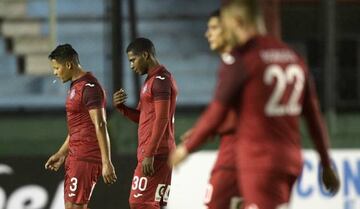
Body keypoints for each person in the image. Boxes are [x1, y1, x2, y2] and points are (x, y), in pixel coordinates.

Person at [170, 1, 340, 209]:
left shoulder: (243, 58)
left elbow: (217, 110)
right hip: (290, 159)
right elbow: (313, 116)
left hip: (259, 161)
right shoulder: (293, 56)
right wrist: (326, 162)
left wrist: (186, 148)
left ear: (238, 22)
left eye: (227, 25)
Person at [45, 44, 117, 209]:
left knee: (75, 207)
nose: (55, 72)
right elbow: (77, 128)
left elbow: (100, 123)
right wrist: (62, 153)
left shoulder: (89, 88)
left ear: (69, 65)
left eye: (57, 68)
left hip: (86, 156)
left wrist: (107, 162)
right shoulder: (76, 86)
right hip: (75, 155)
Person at [113, 37, 177, 209]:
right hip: (160, 151)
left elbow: (161, 118)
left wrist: (149, 153)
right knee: (155, 204)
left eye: (133, 60)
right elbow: (143, 117)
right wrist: (122, 108)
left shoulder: (160, 81)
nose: (131, 65)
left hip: (156, 153)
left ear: (146, 55)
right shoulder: (152, 81)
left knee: (139, 202)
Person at [201, 9, 241, 209]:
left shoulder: (239, 65)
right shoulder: (230, 64)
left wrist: (192, 142)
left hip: (236, 157)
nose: (208, 33)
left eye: (214, 28)